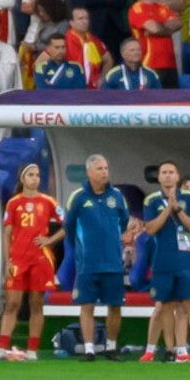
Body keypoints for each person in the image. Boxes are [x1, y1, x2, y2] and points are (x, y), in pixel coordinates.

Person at [66, 153, 136, 361]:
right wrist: (82, 249)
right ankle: (89, 349)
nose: (104, 172)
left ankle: (111, 346)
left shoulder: (117, 196)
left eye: (106, 168)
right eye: (99, 169)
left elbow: (123, 223)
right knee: (87, 305)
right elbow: (69, 228)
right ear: (89, 172)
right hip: (88, 263)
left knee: (115, 305)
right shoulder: (78, 197)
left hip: (113, 263)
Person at [0, 162, 61, 361]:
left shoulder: (48, 201)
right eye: (31, 175)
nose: (35, 178)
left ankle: (32, 349)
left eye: (37, 175)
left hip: (40, 259)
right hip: (18, 258)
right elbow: (7, 233)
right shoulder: (13, 203)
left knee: (36, 303)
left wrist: (50, 240)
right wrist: (7, 261)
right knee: (12, 303)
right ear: (22, 179)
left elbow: (68, 223)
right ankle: (2, 346)